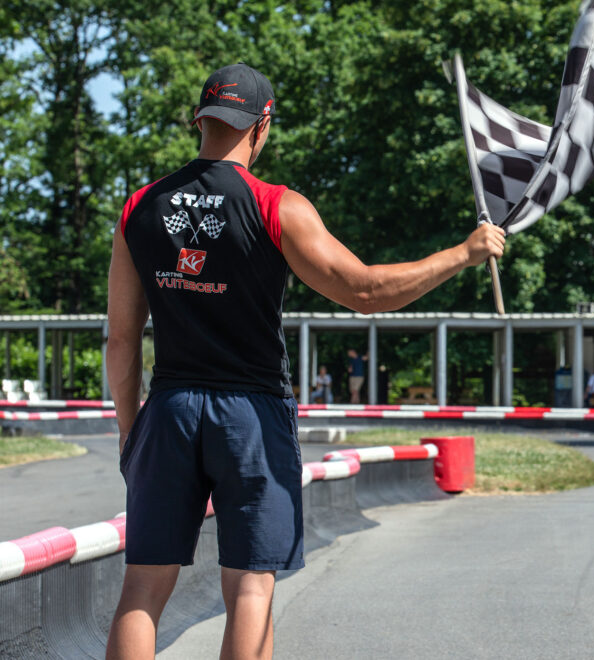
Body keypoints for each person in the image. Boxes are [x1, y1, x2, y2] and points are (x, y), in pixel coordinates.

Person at [104, 62, 505, 660]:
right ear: (262, 124)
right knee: (249, 590)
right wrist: (463, 253)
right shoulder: (277, 206)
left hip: (170, 410)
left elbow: (121, 339)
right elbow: (366, 291)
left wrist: (130, 428)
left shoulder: (140, 207)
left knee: (142, 587)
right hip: (251, 416)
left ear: (201, 119)